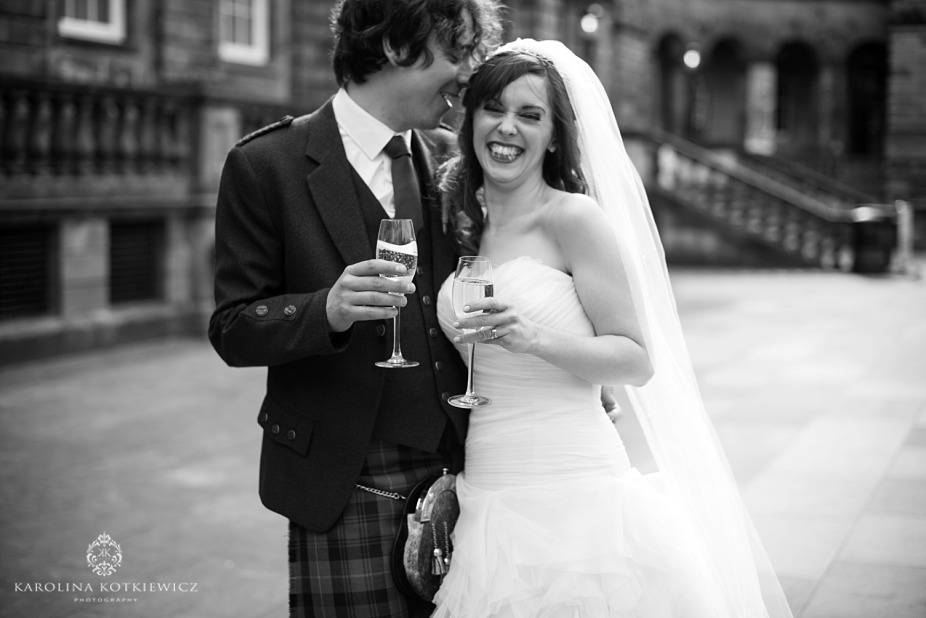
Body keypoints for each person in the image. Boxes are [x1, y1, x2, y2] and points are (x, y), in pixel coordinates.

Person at [432, 40, 794, 617]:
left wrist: (534, 339)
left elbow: (635, 358)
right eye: (494, 109)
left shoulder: (574, 218)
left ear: (554, 135)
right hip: (488, 487)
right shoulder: (463, 220)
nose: (507, 128)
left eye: (530, 115)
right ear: (471, 117)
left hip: (575, 486)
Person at [207, 1, 502, 616]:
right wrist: (327, 310)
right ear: (397, 46)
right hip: (348, 479)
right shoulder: (266, 166)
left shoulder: (453, 162)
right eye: (457, 53)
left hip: (466, 474)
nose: (468, 74)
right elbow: (232, 327)